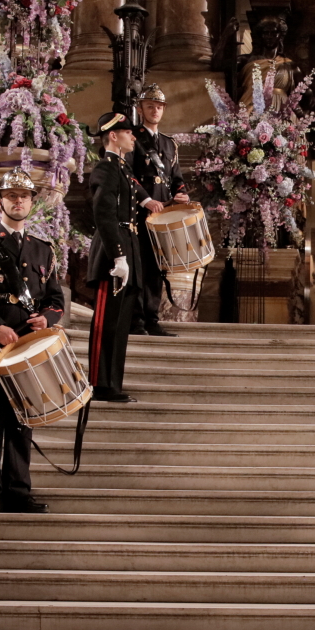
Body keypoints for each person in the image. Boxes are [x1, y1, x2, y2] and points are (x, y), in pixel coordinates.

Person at [0, 168, 64, 513]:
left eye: (24, 197)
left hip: (28, 349)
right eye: (12, 196)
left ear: (32, 203)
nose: (18, 202)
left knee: (23, 421)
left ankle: (18, 491)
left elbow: (55, 300)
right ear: (0, 201)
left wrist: (45, 319)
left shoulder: (42, 250)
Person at [85, 116, 141, 403]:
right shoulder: (106, 167)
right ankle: (98, 383)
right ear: (113, 136)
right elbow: (104, 213)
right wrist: (119, 256)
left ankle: (112, 384)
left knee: (119, 323)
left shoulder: (122, 168)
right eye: (128, 132)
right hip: (113, 252)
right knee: (106, 322)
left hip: (126, 246)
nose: (133, 137)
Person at [129, 84, 185, 337]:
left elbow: (176, 177)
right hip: (140, 214)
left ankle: (152, 318)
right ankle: (136, 320)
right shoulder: (131, 137)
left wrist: (181, 194)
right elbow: (127, 175)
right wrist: (145, 200)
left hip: (163, 215)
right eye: (150, 106)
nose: (155, 111)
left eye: (159, 107)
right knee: (139, 266)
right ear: (140, 109)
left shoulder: (169, 143)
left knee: (156, 267)